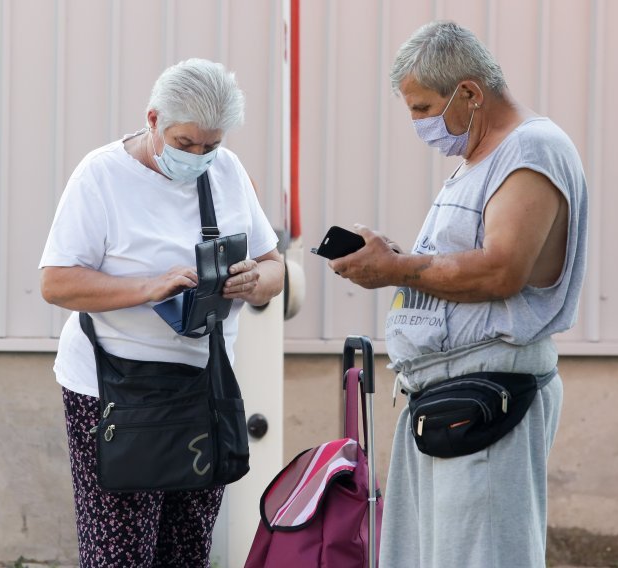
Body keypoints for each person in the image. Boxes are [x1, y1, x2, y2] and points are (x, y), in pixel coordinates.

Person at [328, 21, 588, 568]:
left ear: (469, 93)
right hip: (447, 402)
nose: (419, 124)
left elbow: (501, 271)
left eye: (423, 108)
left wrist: (396, 269)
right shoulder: (477, 159)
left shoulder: (530, 149)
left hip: (487, 402)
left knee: (480, 558)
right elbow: (456, 265)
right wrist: (397, 263)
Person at [38, 58, 284, 567]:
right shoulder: (101, 176)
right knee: (121, 553)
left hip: (202, 388)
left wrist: (256, 282)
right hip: (114, 392)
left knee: (187, 550)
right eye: (186, 142)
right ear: (153, 119)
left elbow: (273, 264)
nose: (199, 156)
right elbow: (56, 282)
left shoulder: (229, 172)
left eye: (211, 146)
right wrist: (150, 286)